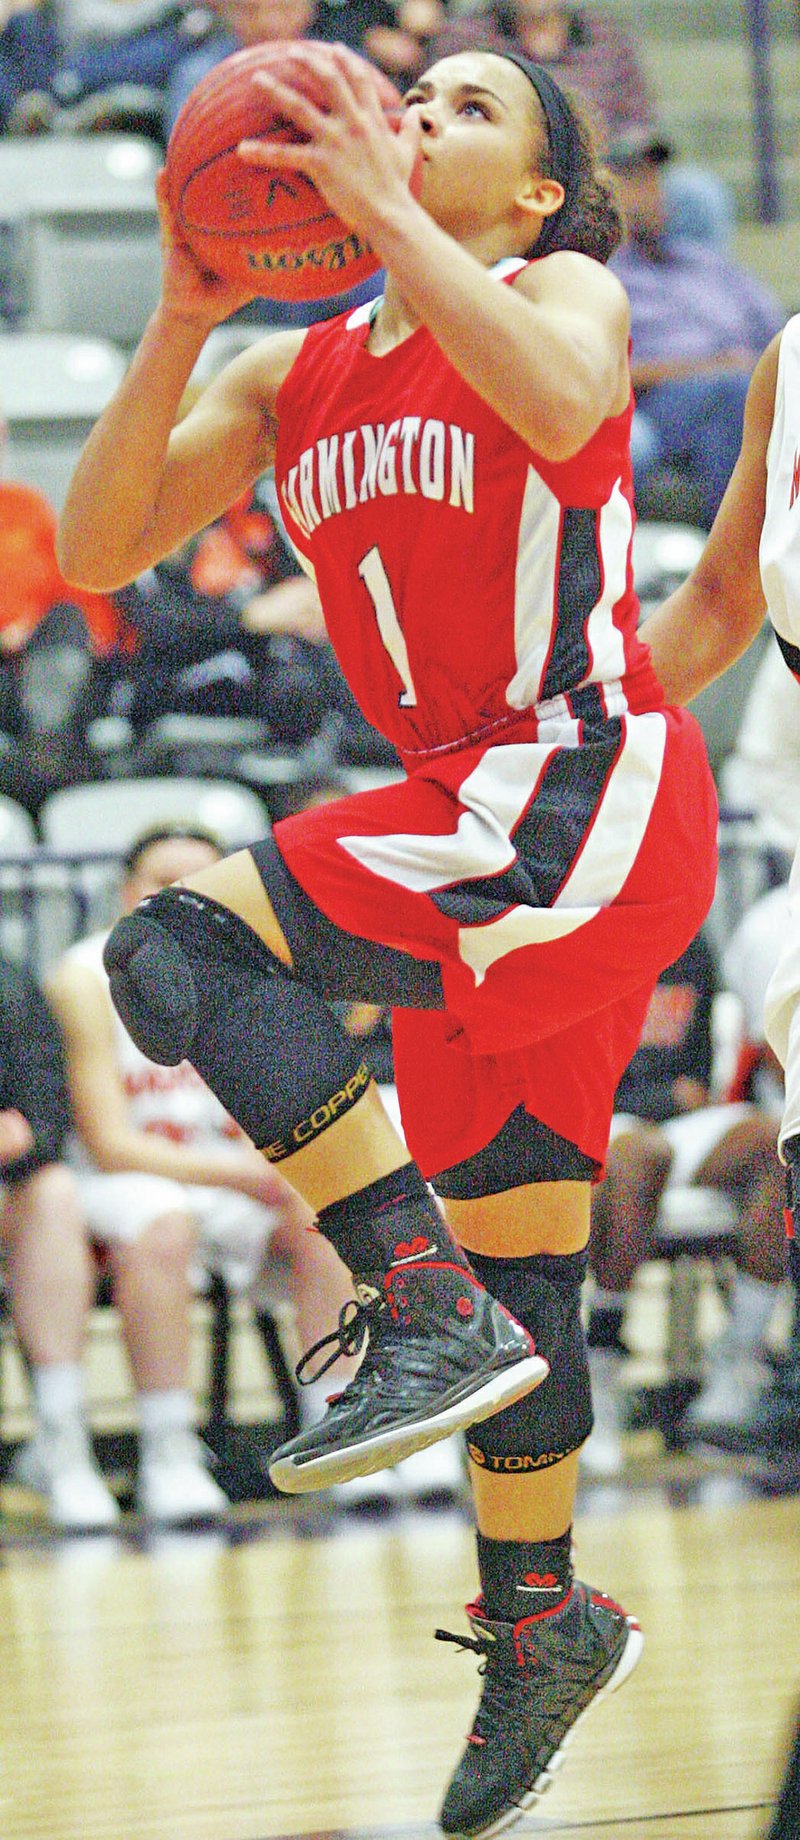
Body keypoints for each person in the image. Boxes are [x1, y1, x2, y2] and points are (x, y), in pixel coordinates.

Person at [56, 43, 719, 1833]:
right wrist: (186, 315)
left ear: (532, 192)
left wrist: (379, 219)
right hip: (473, 822)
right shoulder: (298, 372)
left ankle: (402, 1290)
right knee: (529, 1282)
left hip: (578, 788)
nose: (415, 121)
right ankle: (541, 1616)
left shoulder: (555, 285)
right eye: (406, 101)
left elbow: (577, 406)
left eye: (467, 110)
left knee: (177, 947)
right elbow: (101, 543)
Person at [46, 823, 362, 1521]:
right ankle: (169, 1450)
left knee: (324, 1213)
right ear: (128, 894)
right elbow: (108, 1145)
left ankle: (338, 1429)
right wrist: (242, 1175)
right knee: (163, 1221)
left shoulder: (253, 971)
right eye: (165, 881)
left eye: (201, 881)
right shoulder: (81, 975)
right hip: (123, 1184)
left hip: (227, 1181)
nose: (183, 895)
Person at [584, 924, 787, 1473]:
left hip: (677, 1126)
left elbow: (697, 1071)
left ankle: (740, 1360)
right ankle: (599, 1362)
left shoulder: (687, 937)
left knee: (777, 1141)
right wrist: (658, 1094)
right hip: (599, 1124)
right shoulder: (571, 930)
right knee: (642, 1156)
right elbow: (576, 1074)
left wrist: (682, 1095)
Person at [607, 125, 784, 529]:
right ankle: (746, 552)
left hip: (743, 383)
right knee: (734, 397)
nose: (649, 193)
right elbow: (613, 373)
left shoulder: (706, 262)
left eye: (653, 179)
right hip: (660, 401)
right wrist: (711, 367)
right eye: (633, 180)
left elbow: (777, 331)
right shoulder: (605, 274)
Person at [0, 950, 122, 1531]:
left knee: (52, 1193)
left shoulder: (6, 978)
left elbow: (45, 1117)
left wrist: (21, 1132)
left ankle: (61, 1435)